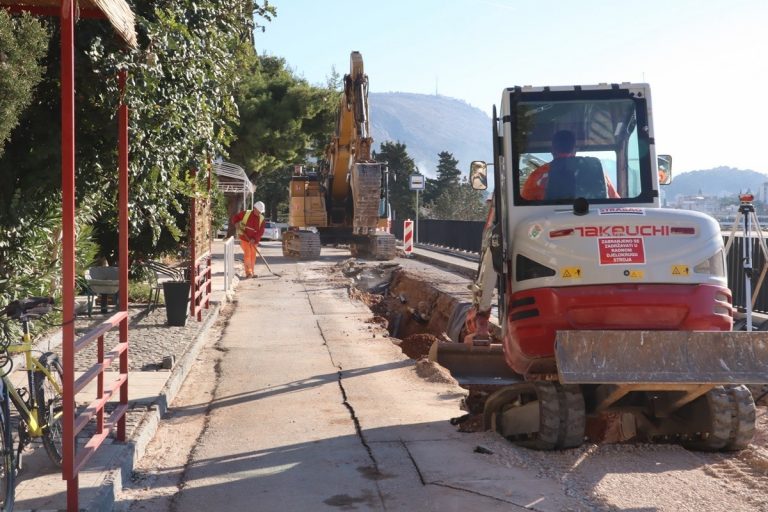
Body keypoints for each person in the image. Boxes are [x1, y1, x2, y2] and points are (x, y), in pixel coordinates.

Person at [521, 130, 620, 200]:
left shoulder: (537, 175)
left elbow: (524, 206)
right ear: (574, 150)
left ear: (553, 150)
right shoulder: (596, 172)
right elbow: (616, 202)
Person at [231, 201, 266, 278]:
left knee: (253, 255)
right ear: (254, 208)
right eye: (259, 211)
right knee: (248, 253)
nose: (260, 213)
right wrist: (236, 223)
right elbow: (235, 218)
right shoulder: (246, 214)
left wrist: (254, 239)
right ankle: (248, 272)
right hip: (244, 238)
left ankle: (252, 272)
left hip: (254, 240)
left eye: (261, 212)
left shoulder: (262, 219)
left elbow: (261, 231)